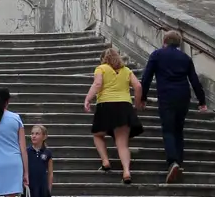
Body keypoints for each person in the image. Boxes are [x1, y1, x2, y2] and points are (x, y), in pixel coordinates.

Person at [140, 27, 207, 184]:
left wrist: (142, 97)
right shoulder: (185, 58)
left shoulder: (157, 55)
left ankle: (173, 162)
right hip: (183, 96)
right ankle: (179, 163)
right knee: (178, 129)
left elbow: (146, 77)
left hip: (166, 96)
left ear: (164, 41)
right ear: (179, 43)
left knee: (168, 129)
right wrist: (202, 101)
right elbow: (194, 80)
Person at [84, 46, 143, 183]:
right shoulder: (127, 70)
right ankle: (126, 171)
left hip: (106, 105)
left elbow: (98, 84)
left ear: (103, 59)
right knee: (122, 143)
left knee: (98, 134)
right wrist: (137, 103)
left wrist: (88, 99)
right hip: (124, 106)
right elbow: (138, 86)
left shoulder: (101, 68)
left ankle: (105, 161)